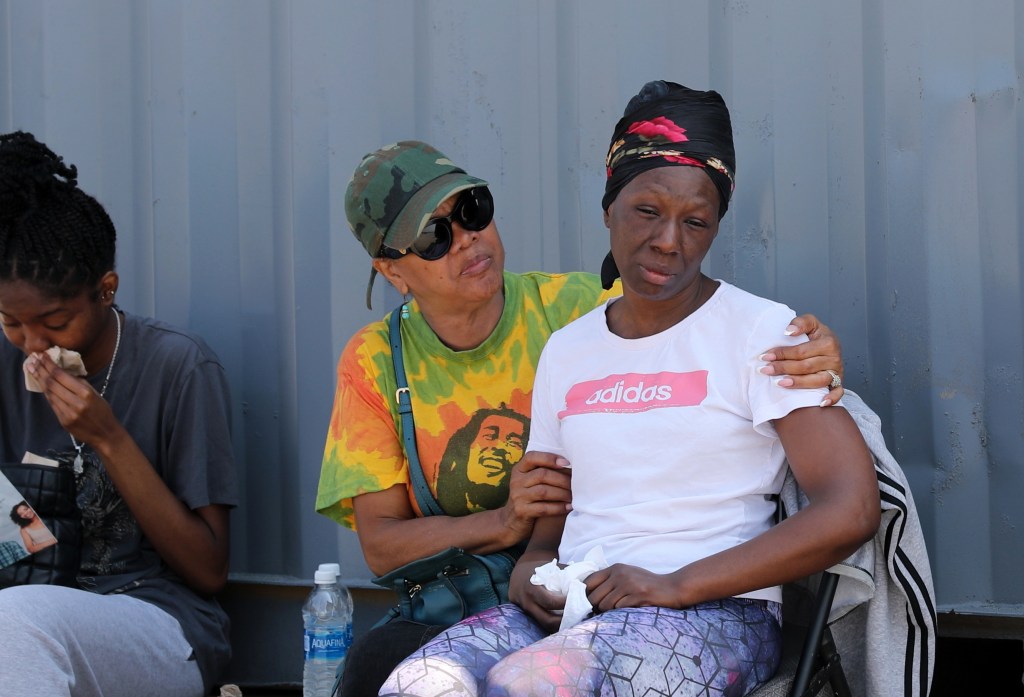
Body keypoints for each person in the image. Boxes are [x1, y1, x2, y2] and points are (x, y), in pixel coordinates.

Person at [378, 81, 881, 696]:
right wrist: (533, 572)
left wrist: (678, 584)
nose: (670, 240)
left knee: (533, 683)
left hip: (717, 611)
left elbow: (851, 508)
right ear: (608, 208)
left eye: (696, 221)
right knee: (418, 684)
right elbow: (550, 526)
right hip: (580, 607)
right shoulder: (568, 349)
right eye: (647, 211)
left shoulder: (761, 333)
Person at [0, 131, 238, 697]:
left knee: (16, 623)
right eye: (10, 321)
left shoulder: (177, 366)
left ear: (106, 290)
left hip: (158, 622)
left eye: (55, 323)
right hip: (22, 611)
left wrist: (108, 436)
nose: (33, 343)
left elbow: (208, 570)